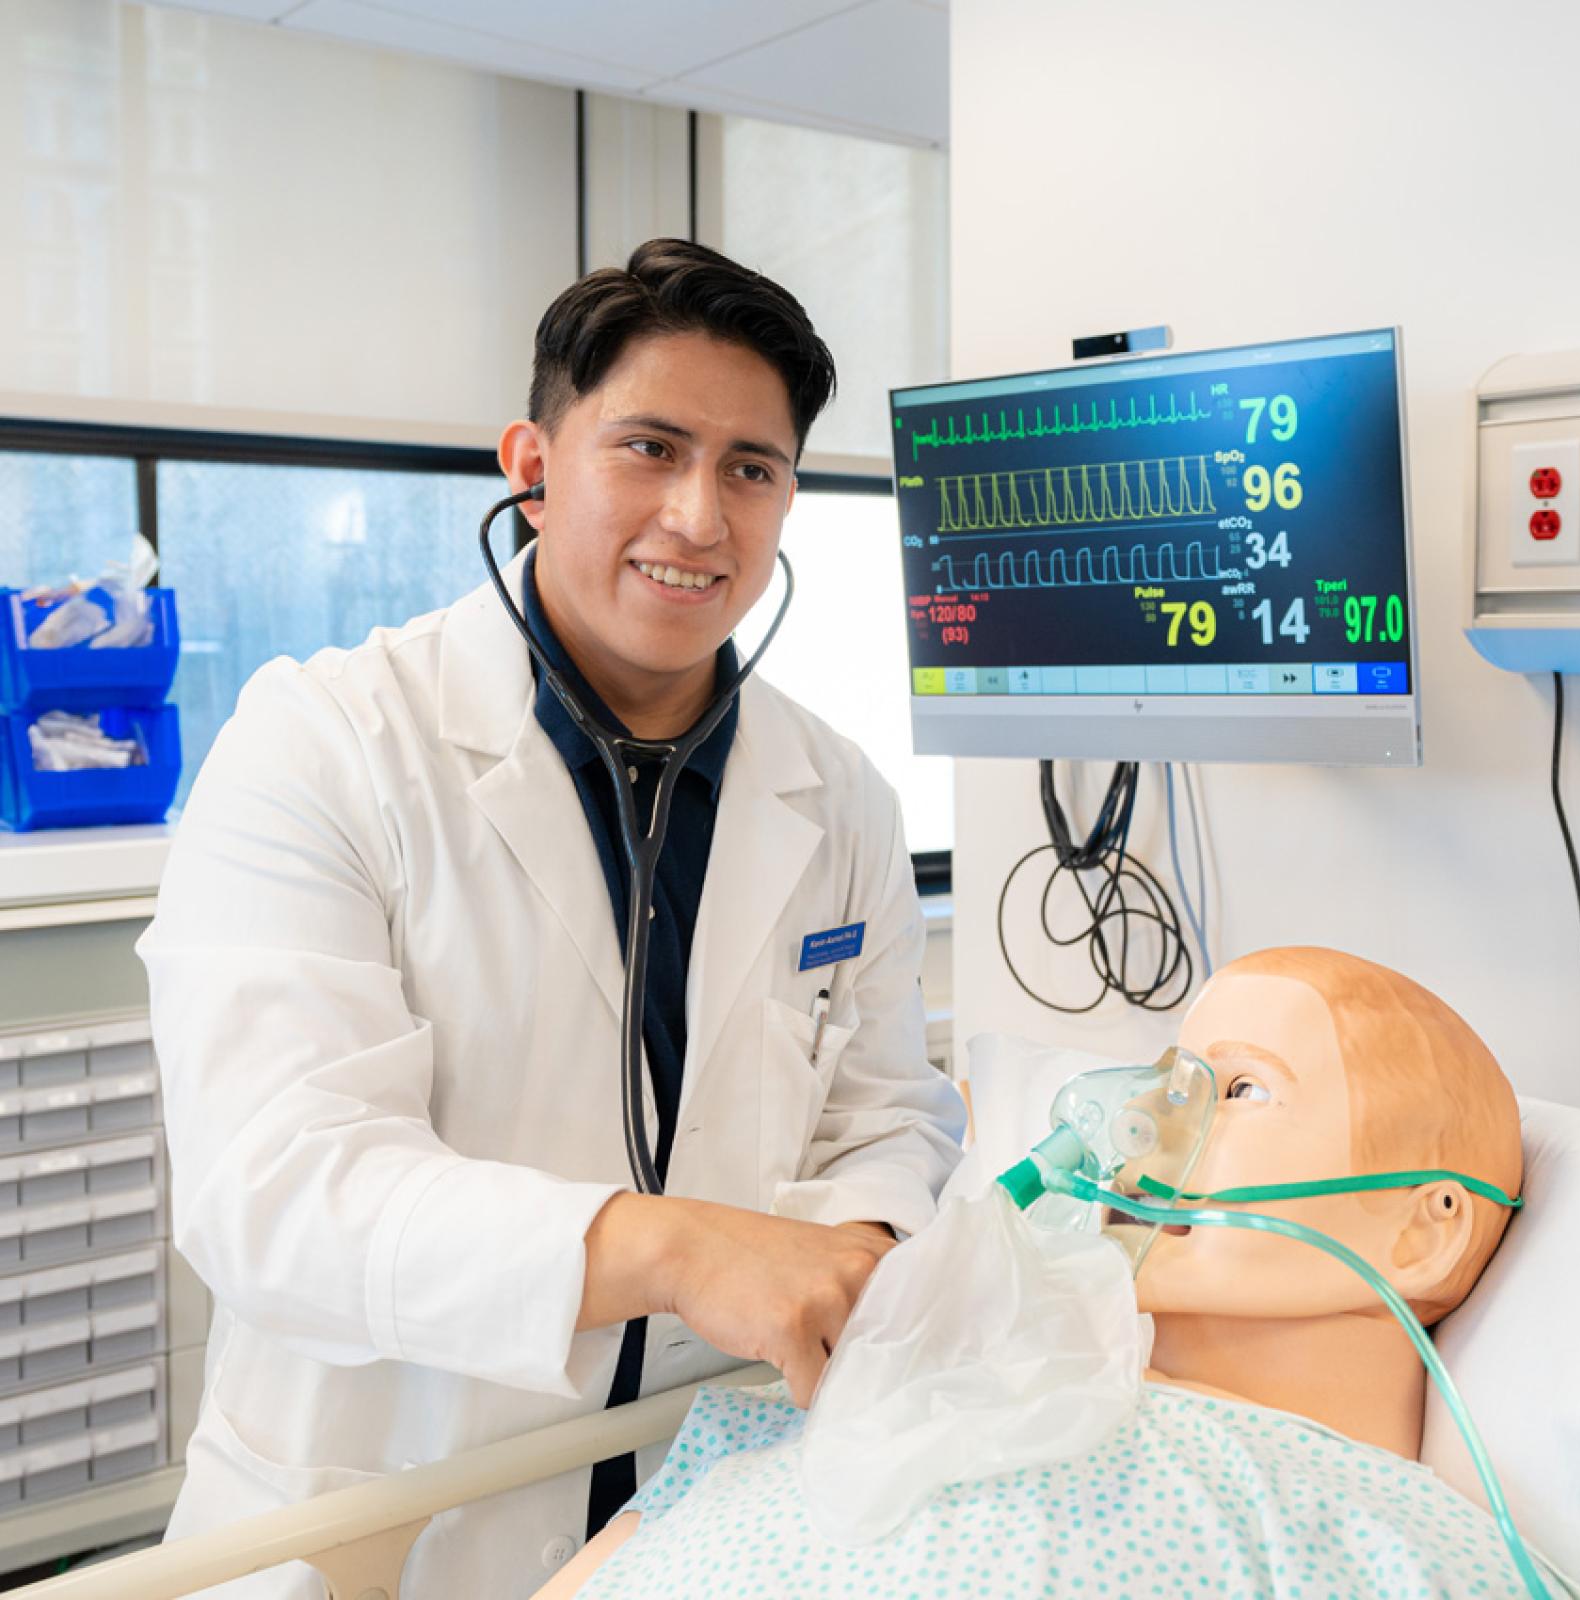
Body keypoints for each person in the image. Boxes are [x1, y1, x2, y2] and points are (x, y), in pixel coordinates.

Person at [139, 238, 965, 1599]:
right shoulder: (328, 742)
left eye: (751, 468)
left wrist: (856, 1251)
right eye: (650, 446)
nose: (701, 516)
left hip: (710, 1509)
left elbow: (886, 1104)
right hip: (388, 1520)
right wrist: (680, 1248)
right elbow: (278, 1194)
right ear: (529, 464)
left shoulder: (842, 797)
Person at [537, 947, 1580, 1600]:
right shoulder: (916, 1395)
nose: (1145, 1117)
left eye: (1246, 1088)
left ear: (1422, 1229)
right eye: (1175, 1075)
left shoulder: (1393, 1548)